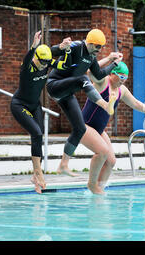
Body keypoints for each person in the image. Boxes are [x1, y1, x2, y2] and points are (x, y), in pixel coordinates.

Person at [56, 60, 145, 194]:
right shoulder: (103, 82)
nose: (124, 80)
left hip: (99, 130)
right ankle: (92, 184)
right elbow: (90, 73)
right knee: (102, 152)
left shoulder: (121, 90)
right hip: (84, 125)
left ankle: (99, 189)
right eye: (122, 77)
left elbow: (136, 104)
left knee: (111, 161)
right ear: (113, 74)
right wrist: (110, 59)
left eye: (126, 77)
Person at [46, 28, 123, 177]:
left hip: (66, 93)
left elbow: (99, 75)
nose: (98, 50)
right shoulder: (76, 46)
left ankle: (63, 165)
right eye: (97, 47)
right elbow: (50, 52)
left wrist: (113, 63)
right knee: (83, 79)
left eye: (101, 47)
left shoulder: (91, 57)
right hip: (55, 85)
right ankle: (105, 105)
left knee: (80, 128)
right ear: (89, 43)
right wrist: (61, 47)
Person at [10, 31, 72, 194]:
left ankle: (34, 176)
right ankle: (39, 173)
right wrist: (33, 46)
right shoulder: (28, 67)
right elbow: (28, 57)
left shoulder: (45, 61)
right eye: (42, 62)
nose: (45, 66)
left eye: (47, 63)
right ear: (36, 58)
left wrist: (63, 47)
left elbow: (59, 62)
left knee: (38, 137)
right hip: (19, 105)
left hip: (34, 105)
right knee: (36, 133)